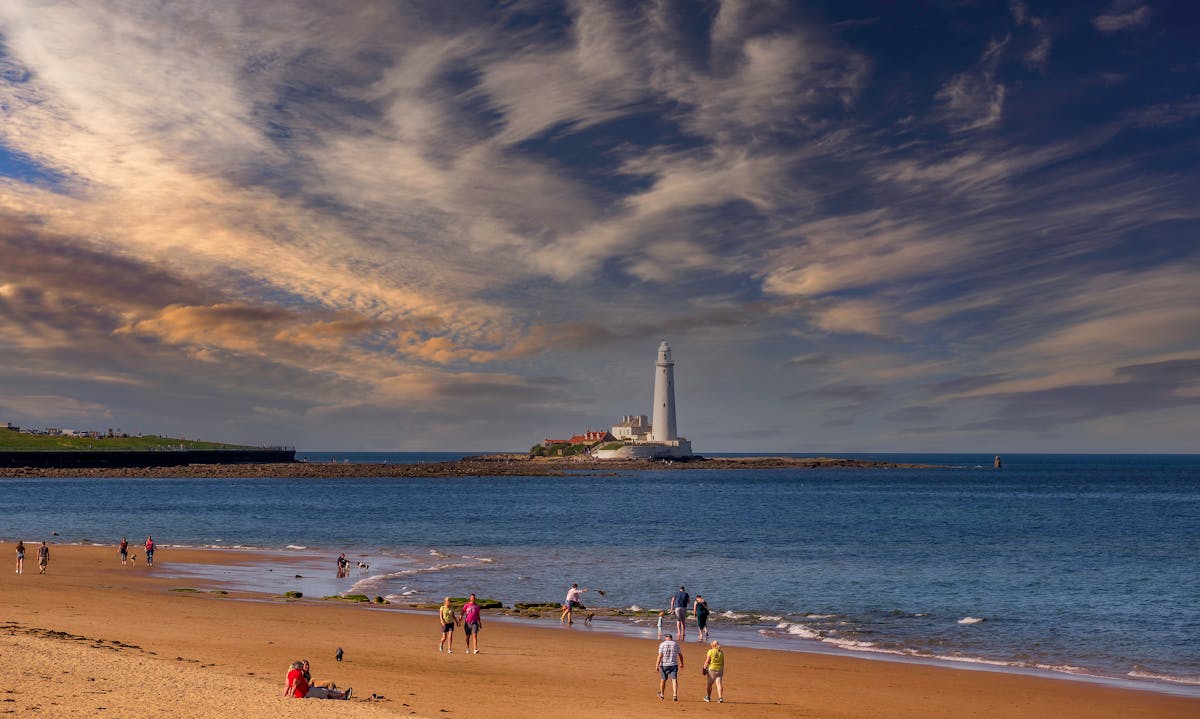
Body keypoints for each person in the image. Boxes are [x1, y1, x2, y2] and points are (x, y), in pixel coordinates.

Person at [283, 660, 350, 699]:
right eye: (303, 665)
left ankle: (343, 695)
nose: (305, 667)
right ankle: (344, 695)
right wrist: (291, 696)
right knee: (326, 691)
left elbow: (288, 686)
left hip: (305, 691)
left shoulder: (290, 673)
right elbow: (294, 685)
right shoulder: (299, 673)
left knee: (325, 692)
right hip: (305, 692)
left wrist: (284, 695)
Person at [656, 632, 684, 701]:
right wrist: (682, 663)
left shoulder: (662, 644)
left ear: (666, 638)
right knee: (674, 679)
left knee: (663, 679)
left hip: (664, 665)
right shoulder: (675, 644)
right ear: (671, 638)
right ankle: (675, 695)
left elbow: (660, 656)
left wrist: (657, 665)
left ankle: (662, 694)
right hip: (673, 664)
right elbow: (680, 654)